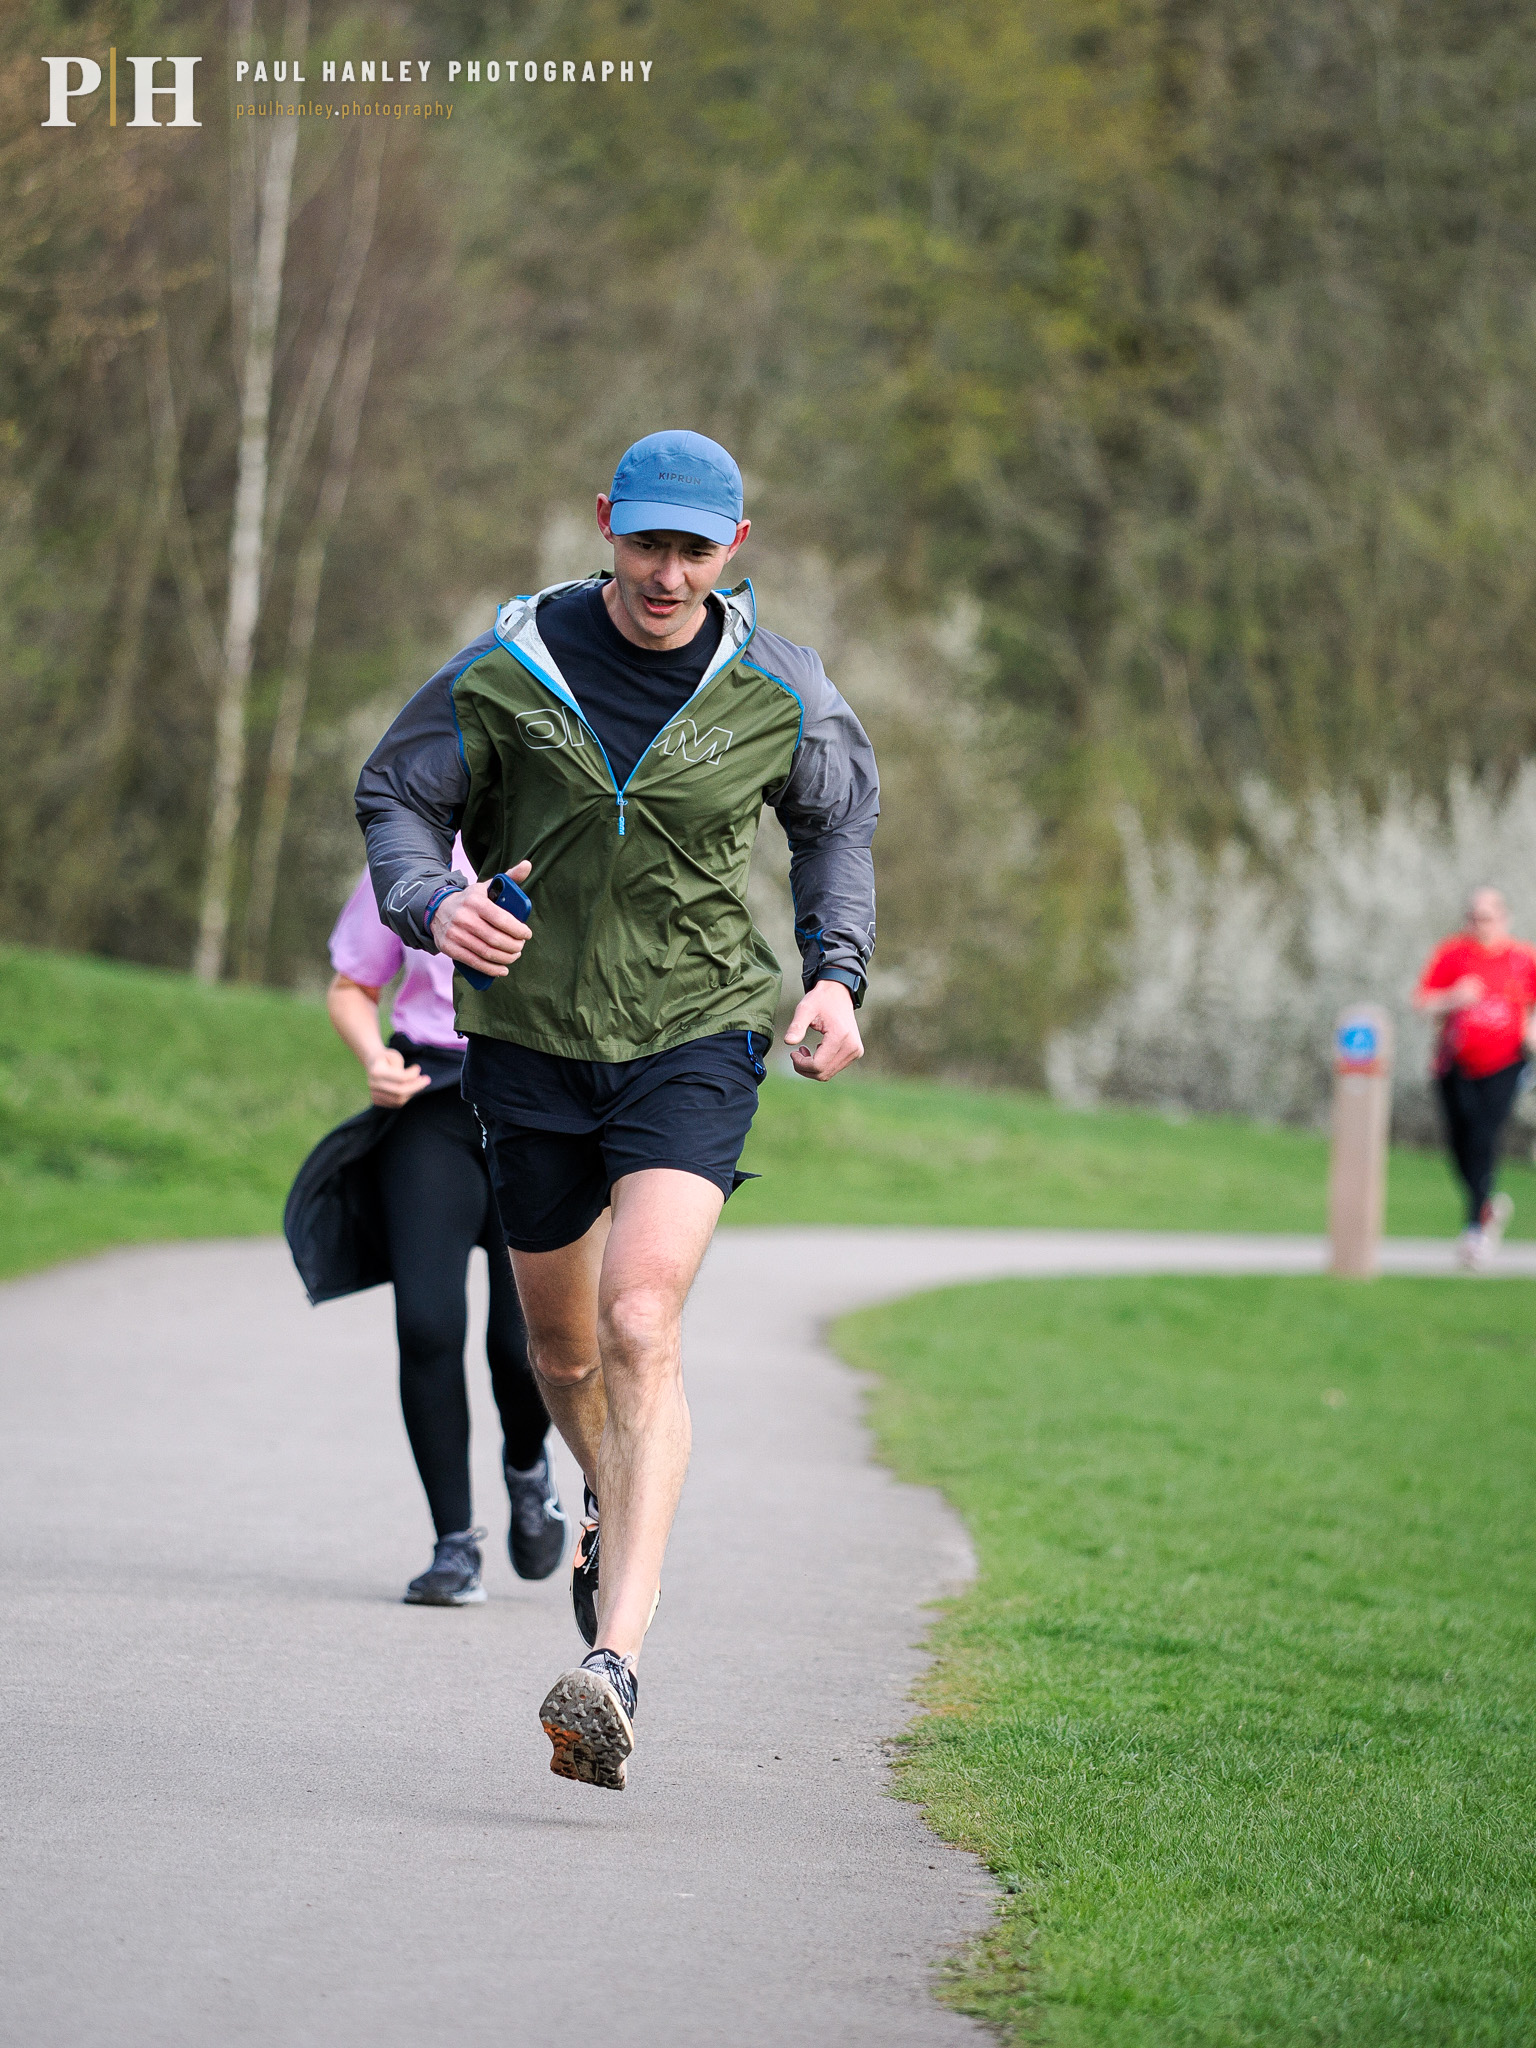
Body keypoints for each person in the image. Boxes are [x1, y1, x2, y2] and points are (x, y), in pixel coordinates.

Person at [354, 429, 878, 1789]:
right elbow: (395, 796)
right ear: (606, 524)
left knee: (642, 1317)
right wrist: (432, 903)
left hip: (694, 1033)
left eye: (695, 550)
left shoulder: (777, 685)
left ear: (734, 550)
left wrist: (835, 972)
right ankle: (607, 1490)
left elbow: (835, 823)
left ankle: (615, 1659)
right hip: (529, 1046)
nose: (667, 572)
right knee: (565, 1351)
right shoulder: (507, 667)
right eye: (647, 542)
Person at [308, 835, 567, 1602]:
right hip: (430, 1102)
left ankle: (527, 1465)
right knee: (426, 1324)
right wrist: (375, 1059)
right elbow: (352, 985)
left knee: (522, 1345)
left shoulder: (571, 833)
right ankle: (454, 1547)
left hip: (539, 1106)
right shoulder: (412, 852)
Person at [1413, 886, 1536, 1269]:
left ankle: (1475, 1229)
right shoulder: (1453, 954)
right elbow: (1421, 1001)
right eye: (1473, 916)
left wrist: (1531, 1029)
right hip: (1455, 1063)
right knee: (1459, 1141)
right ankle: (1486, 1205)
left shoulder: (1523, 959)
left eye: (1487, 917)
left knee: (1483, 1135)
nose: (1479, 924)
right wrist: (1455, 996)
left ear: (1504, 918)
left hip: (1505, 1062)